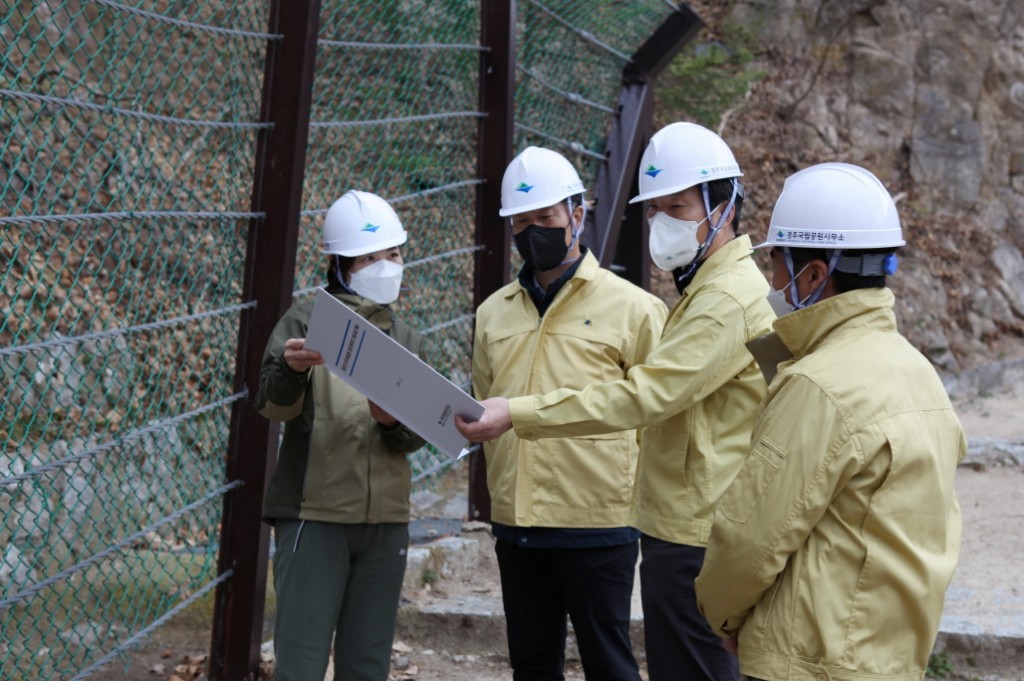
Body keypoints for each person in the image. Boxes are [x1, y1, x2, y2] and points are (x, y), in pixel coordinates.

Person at [458, 123, 776, 681]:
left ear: (723, 207)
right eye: (657, 210)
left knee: (629, 661)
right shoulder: (701, 292)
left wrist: (520, 413)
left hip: (650, 522)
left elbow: (646, 396)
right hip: (571, 519)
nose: (665, 223)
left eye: (678, 206)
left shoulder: (709, 300)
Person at [694, 163, 965, 681]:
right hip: (888, 659)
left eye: (775, 266)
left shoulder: (817, 385)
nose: (771, 282)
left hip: (808, 661)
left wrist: (721, 615)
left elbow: (752, 538)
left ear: (814, 274)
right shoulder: (920, 377)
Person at [473, 146, 667, 681]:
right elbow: (486, 397)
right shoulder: (492, 314)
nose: (532, 230)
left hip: (599, 522)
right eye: (521, 221)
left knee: (610, 664)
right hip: (517, 524)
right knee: (532, 665)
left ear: (577, 215)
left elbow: (657, 412)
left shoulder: (635, 309)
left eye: (546, 218)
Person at [255, 190, 427, 681]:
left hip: (386, 520)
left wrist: (392, 420)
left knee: (368, 664)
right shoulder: (304, 322)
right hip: (314, 516)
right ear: (341, 263)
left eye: (393, 254)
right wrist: (289, 369)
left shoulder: (407, 337)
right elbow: (273, 407)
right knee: (301, 664)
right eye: (371, 257)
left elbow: (414, 437)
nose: (386, 265)